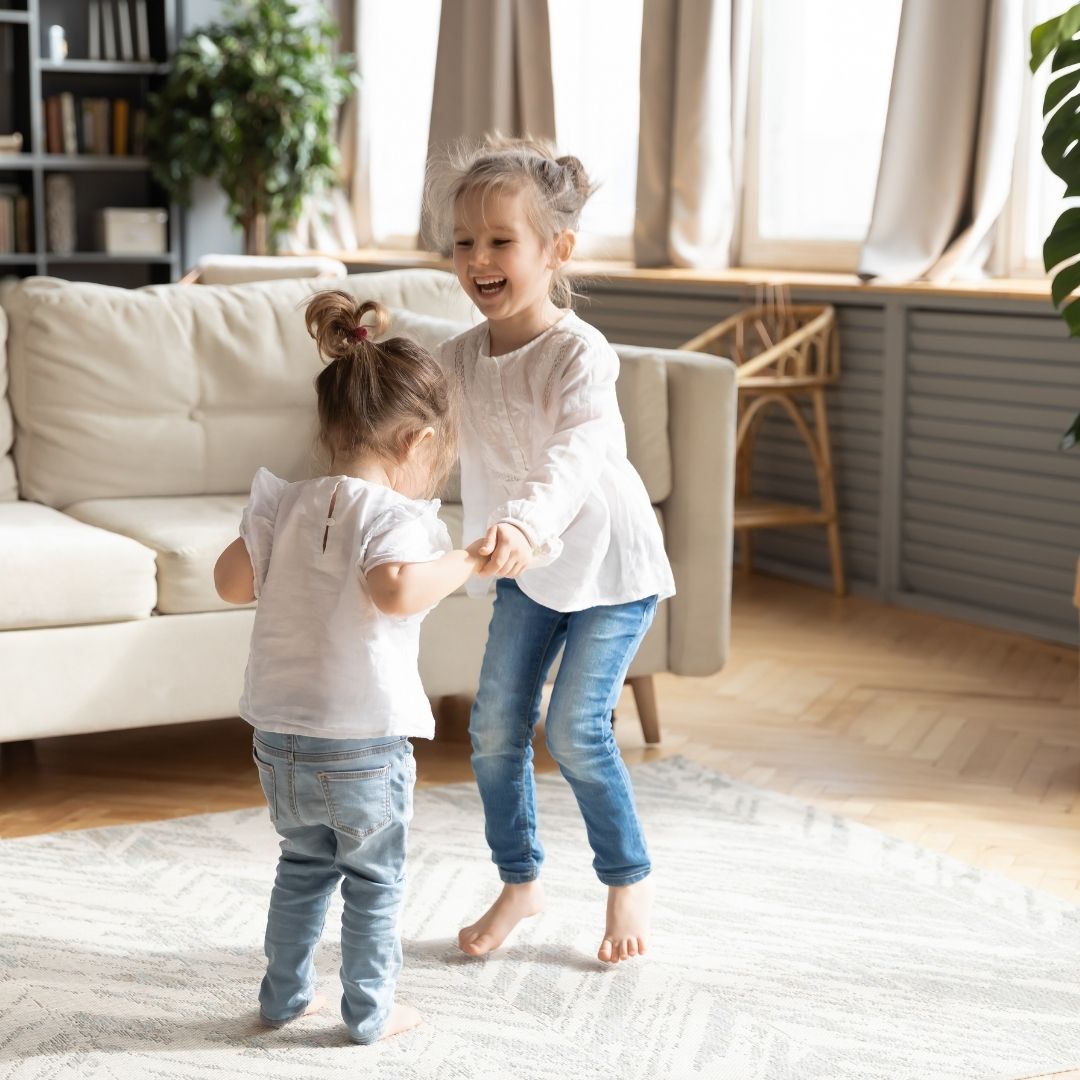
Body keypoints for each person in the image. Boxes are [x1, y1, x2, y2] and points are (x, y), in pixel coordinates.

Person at [427, 137, 676, 965]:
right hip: (527, 571)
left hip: (608, 565)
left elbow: (573, 457)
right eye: (465, 242)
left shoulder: (581, 354)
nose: (478, 258)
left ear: (556, 251)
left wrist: (524, 524)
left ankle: (625, 874)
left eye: (501, 241)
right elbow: (418, 441)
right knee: (495, 729)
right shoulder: (458, 358)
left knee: (574, 730)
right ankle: (521, 881)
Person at [213, 291, 483, 1043]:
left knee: (301, 866)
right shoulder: (396, 517)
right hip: (361, 740)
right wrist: (459, 559)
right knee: (373, 878)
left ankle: (282, 996)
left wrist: (271, 545)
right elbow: (394, 592)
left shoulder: (283, 503)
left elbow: (231, 584)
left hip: (279, 737)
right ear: (417, 442)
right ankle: (369, 1013)